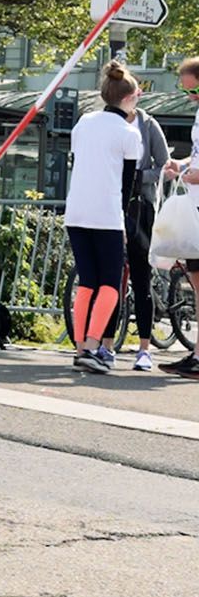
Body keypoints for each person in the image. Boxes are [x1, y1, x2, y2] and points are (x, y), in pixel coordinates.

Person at [63, 62, 143, 376]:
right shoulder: (129, 133)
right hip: (106, 214)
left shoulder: (84, 122)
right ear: (128, 98)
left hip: (76, 211)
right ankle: (96, 344)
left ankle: (81, 347)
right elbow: (127, 185)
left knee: (87, 282)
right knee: (110, 283)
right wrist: (122, 221)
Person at [122, 91, 169, 372]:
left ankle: (144, 348)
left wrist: (139, 177)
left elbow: (164, 166)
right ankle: (103, 344)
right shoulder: (106, 122)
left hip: (141, 206)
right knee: (111, 277)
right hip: (113, 205)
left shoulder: (148, 125)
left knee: (141, 276)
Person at [161, 55, 199, 378]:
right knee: (197, 284)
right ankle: (197, 354)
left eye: (194, 90)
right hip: (194, 209)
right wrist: (182, 165)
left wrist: (193, 175)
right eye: (186, 90)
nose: (189, 96)